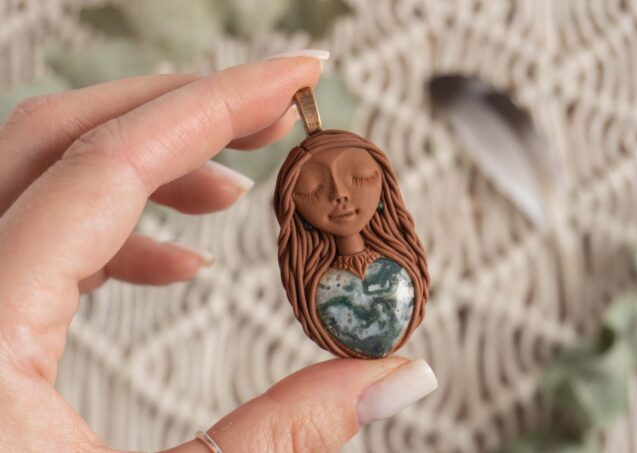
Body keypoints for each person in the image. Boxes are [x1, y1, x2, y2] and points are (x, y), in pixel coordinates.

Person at [0, 50, 437, 453]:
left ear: (385, 190)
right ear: (294, 206)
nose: (340, 195)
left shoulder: (394, 275)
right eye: (314, 186)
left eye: (360, 177)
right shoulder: (322, 289)